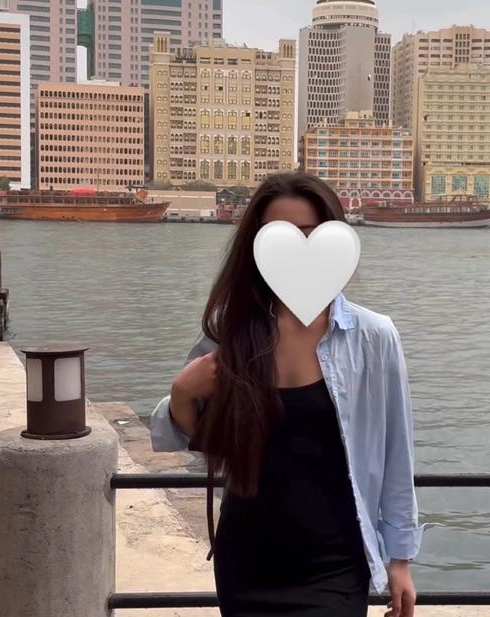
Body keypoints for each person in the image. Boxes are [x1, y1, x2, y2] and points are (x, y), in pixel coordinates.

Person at [150, 172, 428, 617]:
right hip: (247, 557)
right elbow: (187, 435)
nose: (300, 248)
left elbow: (397, 452)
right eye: (281, 235)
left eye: (311, 234)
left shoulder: (373, 336)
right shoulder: (232, 332)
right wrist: (182, 392)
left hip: (336, 561)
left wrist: (400, 560)